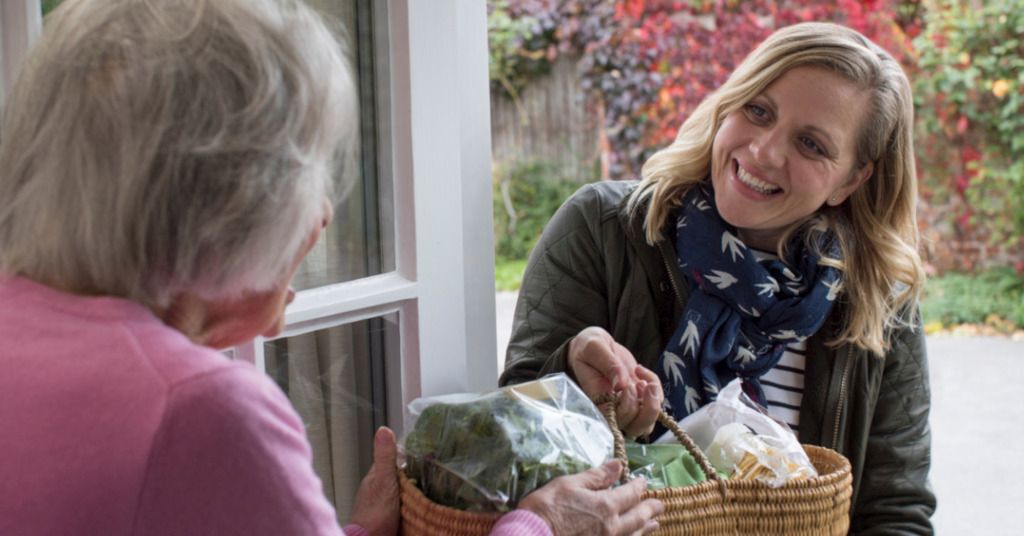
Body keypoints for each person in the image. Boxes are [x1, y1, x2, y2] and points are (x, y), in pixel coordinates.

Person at [0, 0, 663, 534]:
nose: (322, 214)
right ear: (229, 201)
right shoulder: (203, 411)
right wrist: (542, 526)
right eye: (311, 167)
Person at [501, 21, 935, 533]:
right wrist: (574, 378)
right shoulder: (602, 229)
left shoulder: (879, 301)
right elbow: (507, 444)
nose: (764, 152)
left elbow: (894, 511)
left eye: (811, 144)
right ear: (729, 104)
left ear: (851, 180)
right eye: (758, 111)